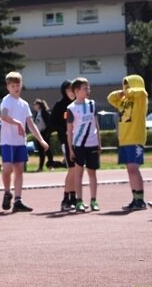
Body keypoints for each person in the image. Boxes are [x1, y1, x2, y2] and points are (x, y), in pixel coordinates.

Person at [0, 72, 50, 213]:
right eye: (13, 85)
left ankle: (18, 200)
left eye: (18, 85)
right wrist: (18, 124)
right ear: (8, 87)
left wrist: (41, 139)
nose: (16, 88)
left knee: (19, 170)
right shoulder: (7, 100)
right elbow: (3, 116)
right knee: (7, 169)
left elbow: (31, 124)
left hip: (20, 142)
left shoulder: (24, 104)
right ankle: (7, 192)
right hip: (8, 141)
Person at [107, 74, 149, 211]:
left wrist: (128, 92)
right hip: (124, 139)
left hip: (136, 138)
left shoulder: (141, 98)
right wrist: (121, 93)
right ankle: (135, 198)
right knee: (129, 170)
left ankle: (140, 200)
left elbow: (141, 92)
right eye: (124, 85)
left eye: (128, 84)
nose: (125, 88)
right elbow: (110, 98)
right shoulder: (123, 99)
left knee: (133, 168)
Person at [66, 78, 102, 213]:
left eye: (88, 88)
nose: (88, 91)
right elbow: (69, 131)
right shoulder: (71, 108)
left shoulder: (92, 104)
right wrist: (70, 149)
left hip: (92, 144)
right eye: (85, 88)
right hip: (78, 145)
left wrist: (99, 143)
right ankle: (79, 201)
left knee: (92, 173)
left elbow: (96, 125)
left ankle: (94, 200)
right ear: (76, 91)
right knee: (78, 174)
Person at [50, 80, 77, 211]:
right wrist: (64, 129)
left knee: (77, 170)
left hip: (80, 142)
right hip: (66, 142)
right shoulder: (60, 105)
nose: (71, 93)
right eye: (68, 90)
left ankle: (74, 198)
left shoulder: (80, 104)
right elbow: (52, 123)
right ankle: (66, 199)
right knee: (72, 169)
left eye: (73, 90)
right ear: (64, 91)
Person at [32, 99, 55, 171]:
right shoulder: (37, 113)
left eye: (35, 104)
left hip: (44, 134)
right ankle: (40, 167)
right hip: (39, 135)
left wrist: (47, 132)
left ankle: (51, 166)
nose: (34, 106)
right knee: (41, 152)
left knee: (48, 150)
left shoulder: (44, 112)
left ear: (39, 105)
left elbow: (49, 123)